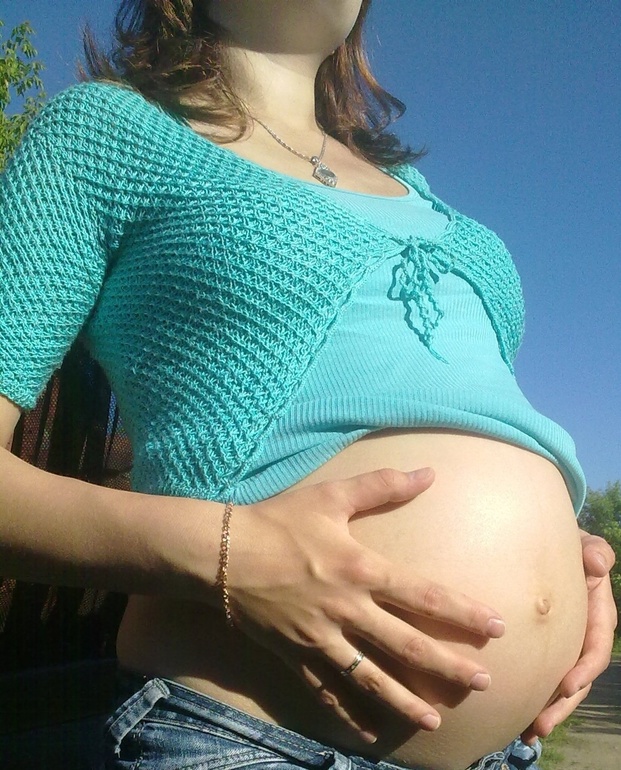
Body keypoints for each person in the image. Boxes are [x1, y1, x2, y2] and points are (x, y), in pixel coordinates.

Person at [0, 1, 616, 768]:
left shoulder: (441, 213)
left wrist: (565, 559)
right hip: (242, 735)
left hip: (502, 753)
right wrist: (232, 555)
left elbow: (450, 425)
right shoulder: (107, 133)